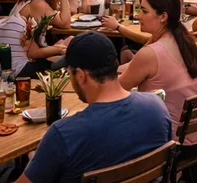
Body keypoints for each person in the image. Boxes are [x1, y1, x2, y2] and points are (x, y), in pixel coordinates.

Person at [19, 32, 172, 183]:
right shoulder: (157, 107)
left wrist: (38, 161)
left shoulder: (63, 134)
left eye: (69, 73)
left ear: (80, 75)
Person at [117, 0, 197, 141]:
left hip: (171, 142)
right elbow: (132, 67)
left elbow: (116, 90)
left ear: (163, 16)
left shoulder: (151, 54)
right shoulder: (191, 42)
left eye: (144, 11)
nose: (138, 16)